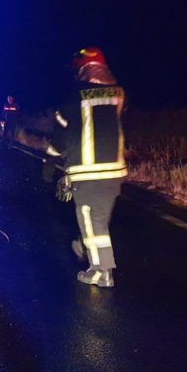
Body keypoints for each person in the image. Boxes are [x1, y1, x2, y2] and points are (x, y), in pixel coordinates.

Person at [45, 47, 127, 288]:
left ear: (82, 70)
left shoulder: (75, 96)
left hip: (88, 171)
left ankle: (101, 272)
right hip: (115, 170)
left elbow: (61, 134)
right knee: (99, 217)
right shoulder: (118, 93)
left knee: (91, 219)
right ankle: (85, 245)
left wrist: (50, 162)